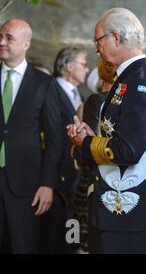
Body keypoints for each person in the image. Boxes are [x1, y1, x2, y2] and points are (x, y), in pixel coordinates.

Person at [67, 7, 146, 253]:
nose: (96, 47)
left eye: (98, 39)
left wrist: (85, 143)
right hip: (113, 209)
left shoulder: (140, 82)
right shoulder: (128, 78)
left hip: (129, 213)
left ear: (116, 38)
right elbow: (117, 136)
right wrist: (89, 138)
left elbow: (129, 149)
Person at [0, 19, 62, 253]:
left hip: (27, 186)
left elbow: (56, 139)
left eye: (9, 38)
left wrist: (48, 184)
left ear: (26, 44)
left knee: (22, 246)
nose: (1, 42)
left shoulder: (44, 84)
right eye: (0, 36)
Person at [39, 47, 90, 253]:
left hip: (77, 177)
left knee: (72, 235)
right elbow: (53, 137)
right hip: (58, 176)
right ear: (69, 66)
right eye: (83, 64)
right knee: (55, 236)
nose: (87, 69)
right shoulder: (50, 90)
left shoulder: (80, 94)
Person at [72, 57, 116, 253]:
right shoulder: (100, 102)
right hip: (105, 184)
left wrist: (77, 147)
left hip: (99, 183)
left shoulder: (99, 101)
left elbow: (85, 151)